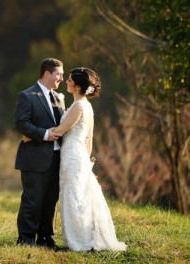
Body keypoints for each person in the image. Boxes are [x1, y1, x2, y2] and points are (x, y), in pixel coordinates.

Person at [49, 67, 127, 252]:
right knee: (79, 195)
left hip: (73, 155)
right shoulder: (87, 106)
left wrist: (36, 134)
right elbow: (89, 139)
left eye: (69, 80)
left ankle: (80, 241)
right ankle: (83, 238)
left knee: (74, 196)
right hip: (79, 155)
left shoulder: (78, 106)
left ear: (77, 86)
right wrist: (87, 161)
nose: (66, 82)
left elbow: (60, 130)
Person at [14, 58, 65, 248]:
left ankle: (46, 238)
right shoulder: (27, 96)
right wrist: (44, 134)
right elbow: (21, 123)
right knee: (32, 199)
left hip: (57, 157)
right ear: (47, 74)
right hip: (34, 158)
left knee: (51, 199)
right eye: (58, 74)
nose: (61, 78)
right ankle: (25, 239)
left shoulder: (59, 97)